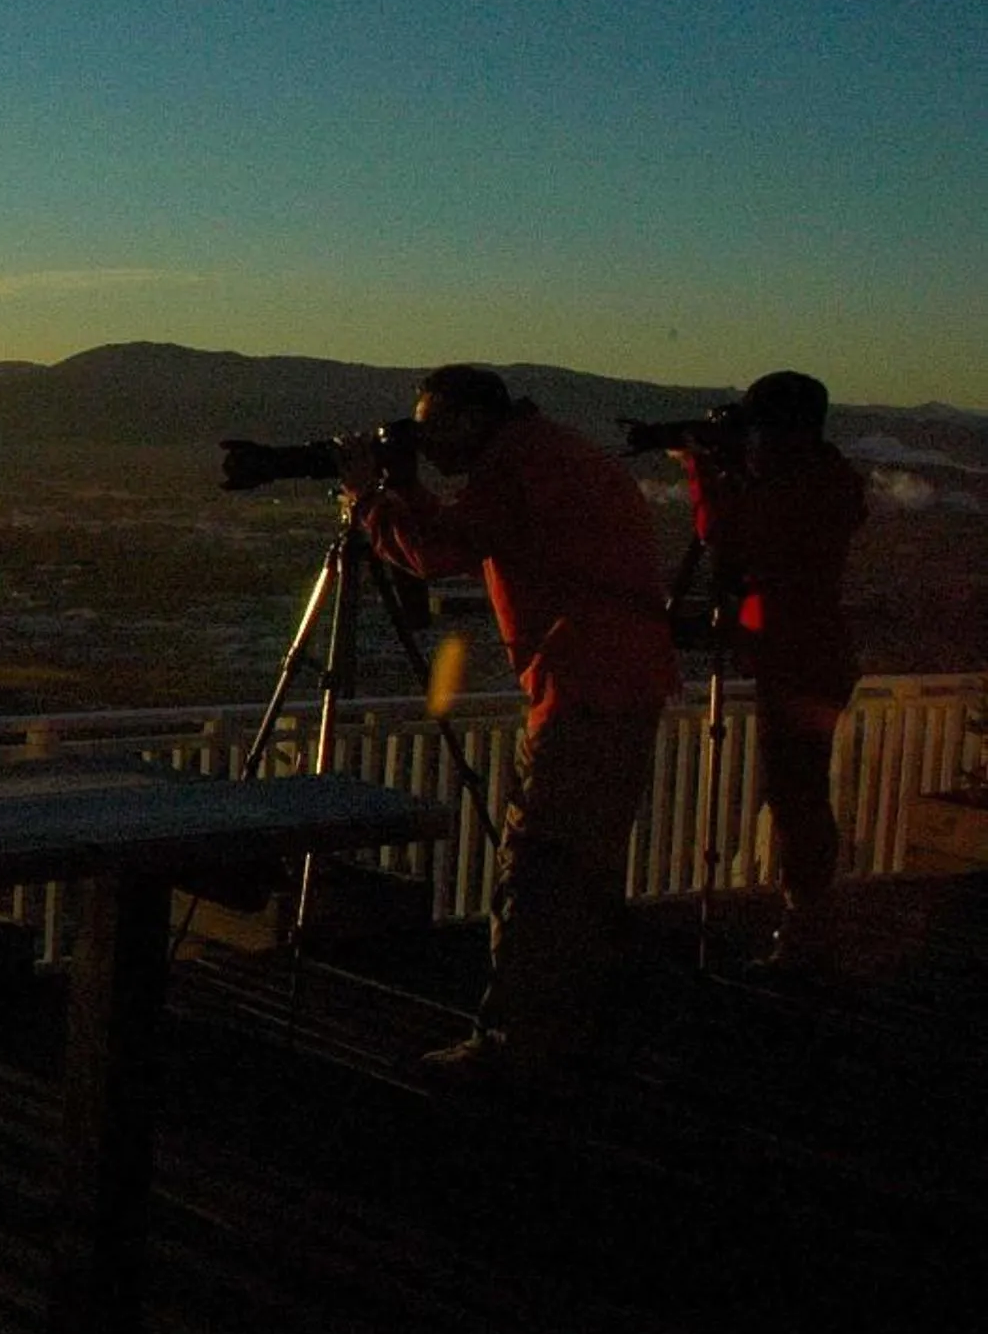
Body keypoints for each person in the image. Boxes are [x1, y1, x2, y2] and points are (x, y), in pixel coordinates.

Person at [340, 365, 679, 1091]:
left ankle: (515, 1042)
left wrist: (369, 495)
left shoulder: (520, 465)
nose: (428, 442)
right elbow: (468, 532)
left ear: (472, 418)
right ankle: (575, 1029)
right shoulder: (550, 452)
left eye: (434, 425)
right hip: (619, 677)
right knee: (581, 871)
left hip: (583, 684)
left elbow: (437, 550)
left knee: (541, 865)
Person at [665, 370, 866, 978]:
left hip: (798, 659)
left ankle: (806, 930)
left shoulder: (799, 489)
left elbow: (728, 536)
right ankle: (808, 924)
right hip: (808, 656)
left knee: (797, 796)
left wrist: (703, 472)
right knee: (800, 795)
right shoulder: (824, 480)